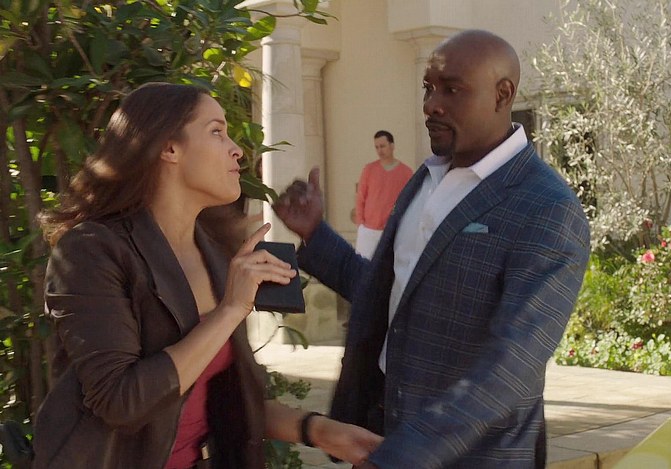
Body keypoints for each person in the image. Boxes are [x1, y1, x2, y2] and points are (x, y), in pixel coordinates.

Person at [276, 29, 590, 469]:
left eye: (452, 90)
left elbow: (511, 366)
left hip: (471, 458)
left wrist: (402, 456)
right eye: (428, 87)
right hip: (382, 435)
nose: (431, 104)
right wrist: (315, 234)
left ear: (503, 95)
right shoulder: (424, 180)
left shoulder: (547, 207)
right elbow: (391, 293)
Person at [33, 82, 382, 469]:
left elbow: (227, 400)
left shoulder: (215, 250)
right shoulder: (91, 251)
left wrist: (318, 430)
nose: (237, 149)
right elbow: (121, 401)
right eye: (217, 132)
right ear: (169, 148)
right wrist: (230, 309)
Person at [354, 130, 413, 259]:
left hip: (393, 231)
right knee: (363, 266)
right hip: (369, 230)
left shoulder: (406, 173)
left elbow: (410, 202)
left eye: (382, 146)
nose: (379, 150)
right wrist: (361, 224)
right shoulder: (369, 170)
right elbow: (360, 198)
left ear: (392, 146)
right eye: (377, 147)